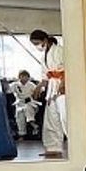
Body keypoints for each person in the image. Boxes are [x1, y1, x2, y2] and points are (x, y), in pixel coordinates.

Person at [30, 29, 65, 158]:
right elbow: (45, 75)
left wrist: (63, 82)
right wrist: (39, 86)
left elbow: (68, 67)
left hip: (62, 85)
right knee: (51, 118)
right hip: (52, 86)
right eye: (34, 44)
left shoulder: (60, 51)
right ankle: (53, 147)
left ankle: (76, 145)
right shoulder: (44, 55)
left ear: (45, 40)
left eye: (37, 43)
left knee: (65, 116)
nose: (37, 46)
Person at [8, 70, 39, 140]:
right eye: (22, 76)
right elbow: (8, 90)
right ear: (19, 77)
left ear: (28, 77)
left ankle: (33, 124)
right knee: (20, 116)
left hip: (30, 103)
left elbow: (39, 91)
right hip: (20, 103)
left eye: (26, 76)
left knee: (27, 109)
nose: (24, 78)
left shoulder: (31, 85)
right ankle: (22, 134)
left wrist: (36, 95)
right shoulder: (15, 85)